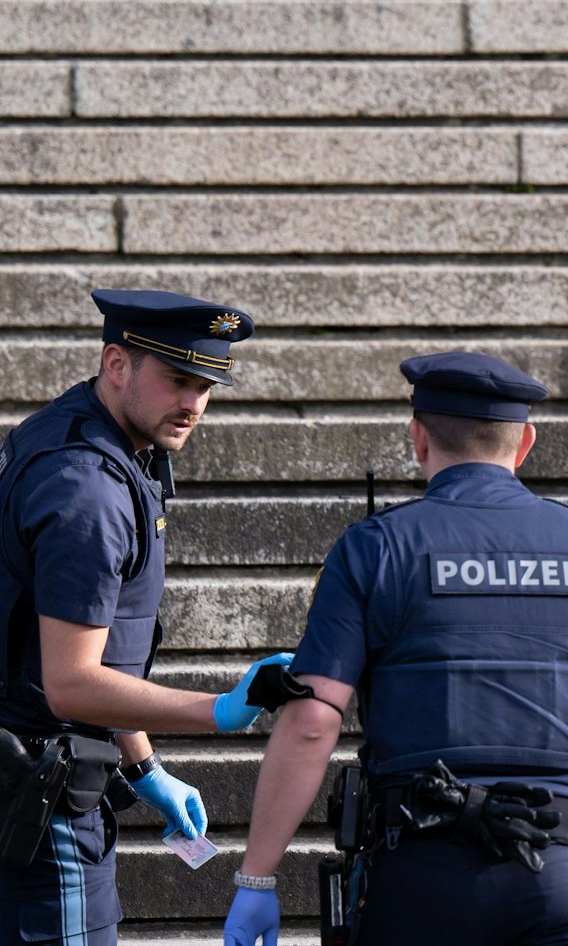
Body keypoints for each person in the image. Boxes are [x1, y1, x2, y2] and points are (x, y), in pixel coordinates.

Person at [220, 353, 568, 946]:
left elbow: (312, 721)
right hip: (562, 877)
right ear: (525, 444)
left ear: (418, 437)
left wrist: (256, 879)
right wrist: (557, 806)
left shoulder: (374, 547)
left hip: (418, 875)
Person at [0, 289, 292, 946]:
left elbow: (102, 652)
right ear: (116, 364)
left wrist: (144, 767)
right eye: (176, 380)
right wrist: (222, 708)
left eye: (205, 385)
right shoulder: (88, 490)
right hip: (43, 817)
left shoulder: (92, 436)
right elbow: (71, 683)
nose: (192, 403)